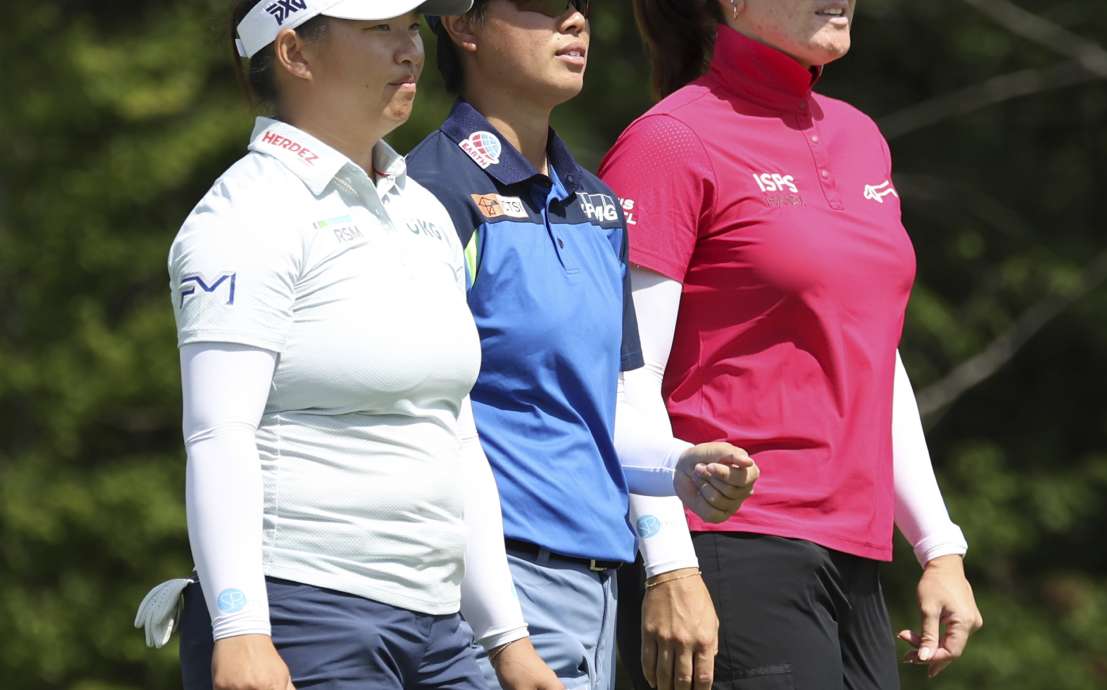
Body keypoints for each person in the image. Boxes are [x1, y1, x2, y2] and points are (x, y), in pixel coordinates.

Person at [143, 1, 565, 688]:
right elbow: (219, 432)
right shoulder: (245, 213)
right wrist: (241, 628)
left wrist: (509, 642)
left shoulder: (422, 211)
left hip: (441, 629)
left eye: (411, 28)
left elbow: (454, 434)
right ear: (294, 53)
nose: (410, 49)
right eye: (378, 30)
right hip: (302, 617)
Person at [600, 1, 985, 689]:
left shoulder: (860, 135)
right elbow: (623, 379)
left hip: (854, 558)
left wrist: (939, 545)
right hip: (725, 548)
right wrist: (670, 567)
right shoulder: (668, 140)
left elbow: (872, 354)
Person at [405, 3, 760, 690]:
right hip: (485, 591)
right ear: (463, 25)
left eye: (583, 5)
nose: (574, 21)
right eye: (544, 2)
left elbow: (604, 413)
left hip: (597, 587)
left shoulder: (596, 204)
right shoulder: (428, 193)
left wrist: (680, 466)